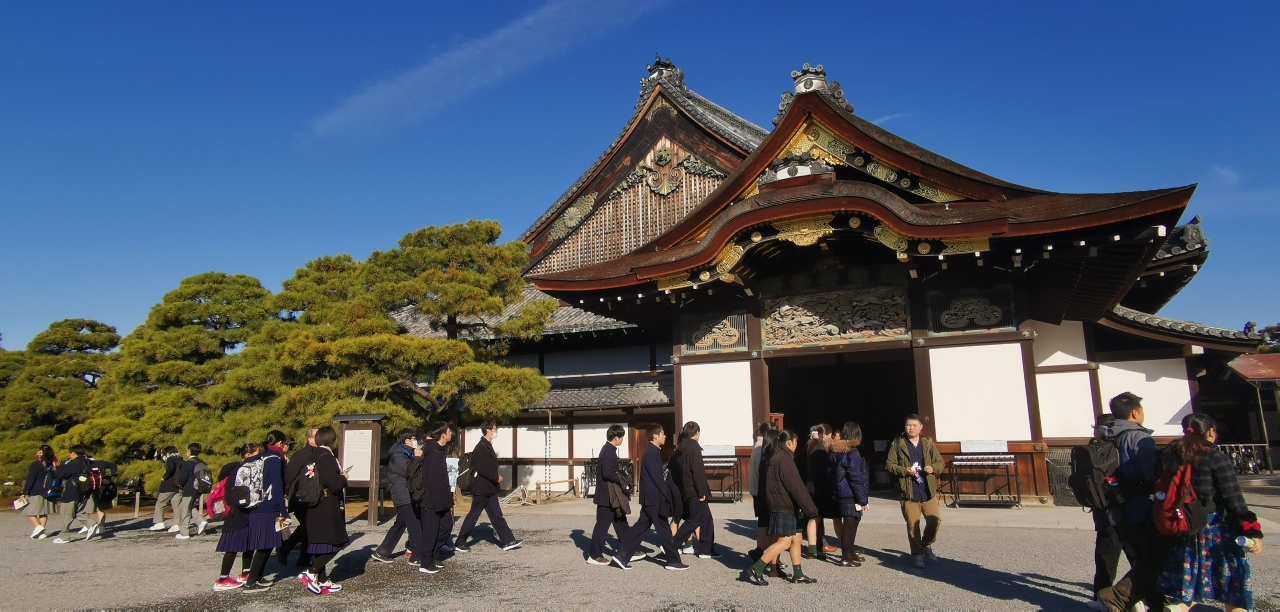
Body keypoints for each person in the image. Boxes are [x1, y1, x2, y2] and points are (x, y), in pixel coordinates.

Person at [1157, 414, 1264, 611]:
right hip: (1217, 528)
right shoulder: (1215, 456)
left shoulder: (1171, 454)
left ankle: (1177, 608)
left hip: (1187, 526)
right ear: (1211, 432)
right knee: (1234, 585)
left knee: (1190, 582)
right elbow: (1233, 497)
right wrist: (1251, 531)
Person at [1095, 393, 1166, 612]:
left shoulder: (1104, 434)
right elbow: (1151, 472)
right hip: (1137, 505)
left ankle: (1106, 596)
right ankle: (1129, 598)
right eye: (1141, 410)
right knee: (1150, 556)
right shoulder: (1137, 437)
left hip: (1109, 505)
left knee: (1118, 553)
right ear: (1135, 413)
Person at [749, 429, 819, 585]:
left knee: (796, 538)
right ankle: (758, 567)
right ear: (790, 442)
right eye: (795, 442)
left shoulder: (774, 457)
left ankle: (797, 573)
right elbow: (796, 487)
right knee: (785, 541)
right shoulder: (785, 459)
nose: (796, 446)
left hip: (778, 504)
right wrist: (811, 510)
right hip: (784, 505)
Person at [613, 424, 685, 571]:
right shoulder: (651, 453)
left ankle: (621, 556)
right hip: (654, 499)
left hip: (650, 498)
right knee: (664, 529)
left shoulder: (653, 451)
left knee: (640, 528)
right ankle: (672, 560)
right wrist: (667, 493)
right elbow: (657, 478)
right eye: (662, 433)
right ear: (655, 436)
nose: (665, 436)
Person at [232, 430, 291, 593]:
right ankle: (251, 582)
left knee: (267, 542)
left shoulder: (261, 457)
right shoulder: (274, 459)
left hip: (256, 505)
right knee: (267, 543)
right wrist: (283, 510)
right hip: (271, 507)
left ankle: (257, 576)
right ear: (279, 443)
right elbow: (277, 486)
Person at [885, 413, 944, 569]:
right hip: (908, 492)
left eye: (914, 425)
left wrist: (933, 468)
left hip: (927, 490)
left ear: (920, 427)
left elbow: (940, 462)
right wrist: (904, 470)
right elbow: (889, 465)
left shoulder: (927, 443)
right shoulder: (898, 444)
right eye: (908, 425)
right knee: (913, 525)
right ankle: (917, 554)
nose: (911, 428)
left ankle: (926, 544)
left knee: (935, 520)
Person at [456, 419, 522, 552]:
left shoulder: (487, 445)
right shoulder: (481, 447)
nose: (496, 431)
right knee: (473, 516)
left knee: (497, 516)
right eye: (494, 429)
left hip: (489, 488)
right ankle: (460, 542)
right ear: (488, 430)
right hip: (481, 488)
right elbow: (482, 469)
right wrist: (495, 477)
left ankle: (508, 541)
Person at [299, 426, 350, 596]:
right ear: (332, 440)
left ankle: (322, 580)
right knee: (336, 541)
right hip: (327, 505)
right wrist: (343, 478)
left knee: (321, 544)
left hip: (313, 504)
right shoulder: (327, 457)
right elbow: (334, 484)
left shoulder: (312, 456)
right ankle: (312, 572)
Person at [213, 443, 261, 591]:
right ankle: (223, 578)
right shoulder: (239, 470)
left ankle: (246, 572)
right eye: (256, 453)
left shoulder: (239, 468)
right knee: (232, 546)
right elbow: (232, 494)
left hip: (244, 510)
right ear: (247, 455)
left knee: (248, 543)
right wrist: (240, 505)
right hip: (238, 511)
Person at [373, 429, 425, 565]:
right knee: (414, 525)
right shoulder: (399, 455)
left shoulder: (406, 453)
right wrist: (418, 458)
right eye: (413, 438)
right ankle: (417, 555)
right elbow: (409, 471)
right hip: (402, 494)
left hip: (406, 493)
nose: (415, 441)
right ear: (406, 441)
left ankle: (382, 551)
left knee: (400, 524)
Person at [1086, 416, 1123, 610]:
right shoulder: (1124, 444)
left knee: (1105, 557)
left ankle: (1101, 597)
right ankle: (1143, 596)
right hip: (1127, 506)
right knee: (1139, 558)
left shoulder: (1096, 450)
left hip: (1102, 508)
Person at [672, 421, 718, 559]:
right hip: (695, 491)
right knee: (694, 520)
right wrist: (702, 492)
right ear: (697, 433)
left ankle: (706, 549)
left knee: (707, 519)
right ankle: (672, 544)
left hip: (687, 488)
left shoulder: (681, 449)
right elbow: (697, 472)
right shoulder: (694, 448)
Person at [828, 421, 870, 568]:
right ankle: (845, 556)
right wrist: (863, 499)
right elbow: (855, 477)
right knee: (850, 523)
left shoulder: (839, 450)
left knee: (854, 521)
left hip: (843, 491)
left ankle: (850, 552)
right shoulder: (852, 452)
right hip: (849, 493)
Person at [587, 424, 631, 565]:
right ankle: (594, 555)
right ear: (616, 437)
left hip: (610, 494)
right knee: (602, 525)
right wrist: (621, 477)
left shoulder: (609, 450)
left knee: (621, 522)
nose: (622, 439)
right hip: (607, 495)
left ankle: (629, 548)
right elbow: (607, 473)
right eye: (621, 437)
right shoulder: (608, 452)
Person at [418, 421, 455, 575]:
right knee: (431, 532)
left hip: (441, 500)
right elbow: (433, 481)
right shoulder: (432, 453)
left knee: (446, 526)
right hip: (432, 501)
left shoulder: (439, 450)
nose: (451, 433)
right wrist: (441, 503)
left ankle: (432, 556)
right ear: (442, 434)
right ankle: (425, 562)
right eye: (449, 431)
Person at [279, 427, 319, 568]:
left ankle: (303, 558)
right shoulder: (301, 455)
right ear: (310, 439)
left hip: (313, 496)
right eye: (317, 436)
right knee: (308, 526)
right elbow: (289, 476)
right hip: (300, 497)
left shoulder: (319, 453)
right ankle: (286, 547)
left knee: (309, 527)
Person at [804, 424, 840, 560]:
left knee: (814, 518)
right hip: (821, 488)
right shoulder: (820, 450)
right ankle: (846, 545)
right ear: (824, 435)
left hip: (811, 487)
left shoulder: (810, 447)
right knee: (832, 517)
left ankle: (812, 549)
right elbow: (825, 472)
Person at [50, 445, 95, 544]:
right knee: (77, 512)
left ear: (73, 453)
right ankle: (92, 524)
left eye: (70, 454)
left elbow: (60, 475)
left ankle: (64, 536)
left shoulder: (73, 463)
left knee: (66, 514)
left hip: (72, 490)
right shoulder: (88, 462)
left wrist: (55, 469)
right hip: (84, 490)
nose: (70, 456)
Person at [21, 445, 57, 539]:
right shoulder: (52, 464)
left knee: (28, 511)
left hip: (35, 491)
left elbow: (30, 480)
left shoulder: (36, 464)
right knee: (43, 512)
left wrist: (25, 492)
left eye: (40, 452)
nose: (38, 453)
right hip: (48, 491)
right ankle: (42, 532)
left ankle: (38, 527)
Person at [174, 443, 207, 540]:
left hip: (188, 489)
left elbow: (182, 478)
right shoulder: (201, 463)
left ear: (189, 451)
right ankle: (201, 521)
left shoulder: (188, 463)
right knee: (189, 507)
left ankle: (184, 532)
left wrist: (179, 484)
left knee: (184, 510)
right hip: (198, 489)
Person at [152, 446, 182, 532]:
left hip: (169, 485)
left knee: (160, 503)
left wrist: (164, 477)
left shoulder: (170, 459)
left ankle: (159, 523)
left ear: (167, 453)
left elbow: (171, 469)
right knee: (176, 505)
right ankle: (177, 524)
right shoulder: (180, 459)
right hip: (178, 486)